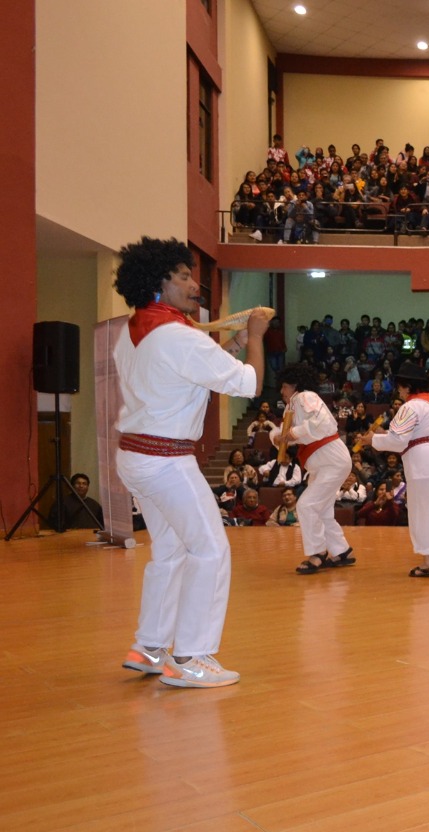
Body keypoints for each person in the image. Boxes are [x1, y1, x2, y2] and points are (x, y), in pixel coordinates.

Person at [112, 236, 267, 689]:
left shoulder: (134, 328)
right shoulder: (181, 336)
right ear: (160, 281)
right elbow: (250, 384)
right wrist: (255, 339)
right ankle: (192, 657)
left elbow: (188, 377)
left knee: (171, 551)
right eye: (183, 275)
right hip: (167, 460)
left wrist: (234, 347)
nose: (195, 283)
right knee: (210, 549)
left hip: (137, 455)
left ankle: (150, 647)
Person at [362, 363, 429, 577]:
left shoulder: (410, 406)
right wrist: (382, 435)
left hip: (426, 461)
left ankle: (427, 560)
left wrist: (373, 439)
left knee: (422, 509)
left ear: (406, 387)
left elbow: (397, 441)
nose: (398, 391)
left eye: (399, 388)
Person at [276, 363, 356, 575]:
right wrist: (277, 437)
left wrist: (292, 434)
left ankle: (317, 553)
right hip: (320, 463)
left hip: (331, 459)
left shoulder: (305, 397)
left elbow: (321, 423)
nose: (281, 392)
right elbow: (285, 434)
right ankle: (340, 550)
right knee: (321, 510)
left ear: (294, 385)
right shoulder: (291, 407)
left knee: (306, 505)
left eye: (284, 387)